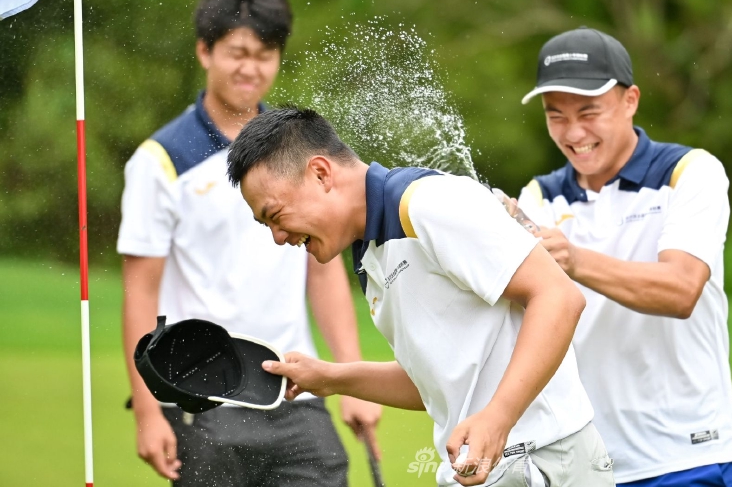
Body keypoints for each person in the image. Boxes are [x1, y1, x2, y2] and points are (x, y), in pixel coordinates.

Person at [225, 107, 616, 487]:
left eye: (275, 215)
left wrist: (499, 417)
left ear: (321, 173)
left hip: (541, 459)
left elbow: (558, 297)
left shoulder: (426, 204)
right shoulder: (371, 257)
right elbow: (436, 382)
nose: (278, 237)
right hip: (479, 469)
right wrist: (330, 377)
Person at [118, 0, 381, 487]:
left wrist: (350, 376)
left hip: (293, 385)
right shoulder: (160, 161)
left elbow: (323, 271)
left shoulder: (299, 150)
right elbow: (140, 290)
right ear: (205, 51)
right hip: (200, 394)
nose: (251, 68)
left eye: (265, 54)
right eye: (237, 52)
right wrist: (148, 412)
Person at [516, 27, 732, 487]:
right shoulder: (539, 197)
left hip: (687, 457)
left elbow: (681, 289)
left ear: (630, 100)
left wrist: (574, 260)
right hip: (583, 463)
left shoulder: (690, 172)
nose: (574, 133)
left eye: (589, 112)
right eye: (556, 116)